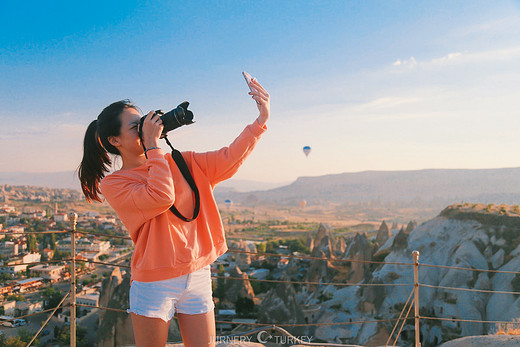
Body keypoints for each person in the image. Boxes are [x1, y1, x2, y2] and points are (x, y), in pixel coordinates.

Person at [78, 78, 270, 347]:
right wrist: (153, 147)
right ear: (114, 140)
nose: (146, 130)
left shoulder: (181, 161)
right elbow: (160, 197)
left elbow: (229, 158)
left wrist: (261, 120)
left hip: (198, 272)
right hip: (155, 282)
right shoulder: (115, 183)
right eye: (137, 127)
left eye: (146, 122)